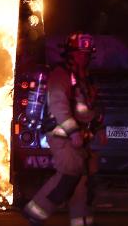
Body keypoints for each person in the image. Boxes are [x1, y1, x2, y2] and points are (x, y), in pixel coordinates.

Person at [23, 32, 102, 226]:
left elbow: (90, 107)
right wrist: (74, 132)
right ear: (70, 54)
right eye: (79, 53)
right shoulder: (62, 75)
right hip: (63, 136)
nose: (84, 57)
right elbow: (59, 105)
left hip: (81, 138)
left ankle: (81, 222)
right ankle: (34, 213)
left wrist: (99, 128)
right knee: (69, 174)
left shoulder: (84, 78)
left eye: (87, 53)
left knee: (82, 182)